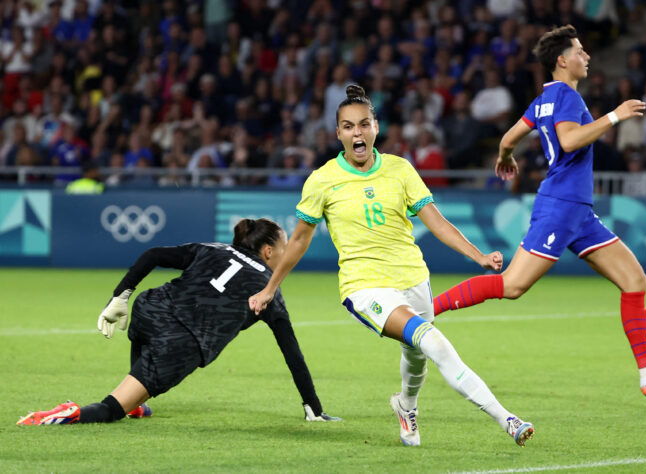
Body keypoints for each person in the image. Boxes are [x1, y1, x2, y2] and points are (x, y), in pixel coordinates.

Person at [249, 85, 534, 447]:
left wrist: (476, 255)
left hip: (413, 277)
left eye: (364, 124)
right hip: (364, 287)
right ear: (338, 133)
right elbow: (301, 239)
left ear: (375, 127)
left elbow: (436, 221)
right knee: (434, 343)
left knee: (417, 358)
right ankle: (507, 419)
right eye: (348, 127)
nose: (357, 133)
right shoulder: (322, 180)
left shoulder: (400, 170)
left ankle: (405, 406)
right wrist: (270, 287)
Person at [433, 25, 646, 399]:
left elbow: (509, 138)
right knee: (512, 286)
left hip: (579, 214)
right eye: (580, 51)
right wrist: (615, 116)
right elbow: (569, 140)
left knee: (634, 281)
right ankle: (426, 312)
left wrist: (505, 157)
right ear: (562, 60)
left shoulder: (543, 100)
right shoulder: (571, 99)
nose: (586, 56)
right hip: (561, 207)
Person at [18, 218, 340, 425]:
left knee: (144, 344)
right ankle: (69, 413)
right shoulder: (269, 288)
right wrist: (312, 406)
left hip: (149, 309)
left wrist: (121, 295)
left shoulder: (212, 248)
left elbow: (154, 254)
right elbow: (292, 353)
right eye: (285, 248)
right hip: (179, 344)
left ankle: (135, 403)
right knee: (109, 410)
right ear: (269, 252)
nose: (288, 255)